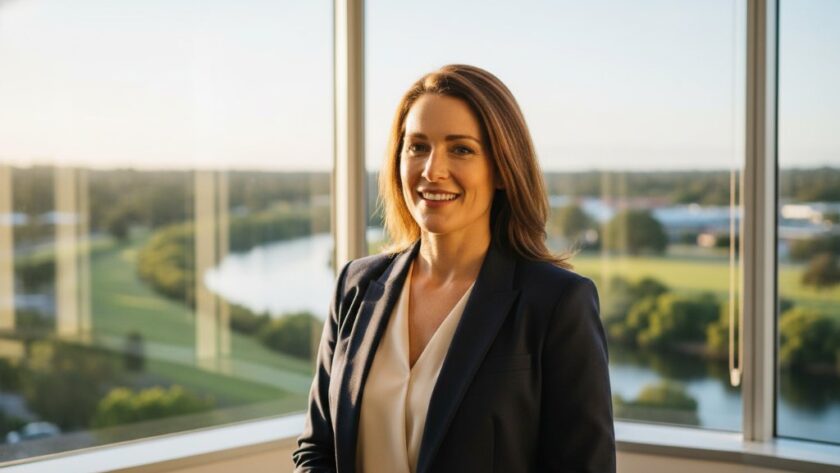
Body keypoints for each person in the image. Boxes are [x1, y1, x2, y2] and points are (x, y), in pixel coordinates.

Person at [293, 64, 615, 473]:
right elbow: (316, 449)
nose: (432, 170)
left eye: (461, 149)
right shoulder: (355, 285)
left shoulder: (557, 303)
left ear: (502, 169)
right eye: (417, 146)